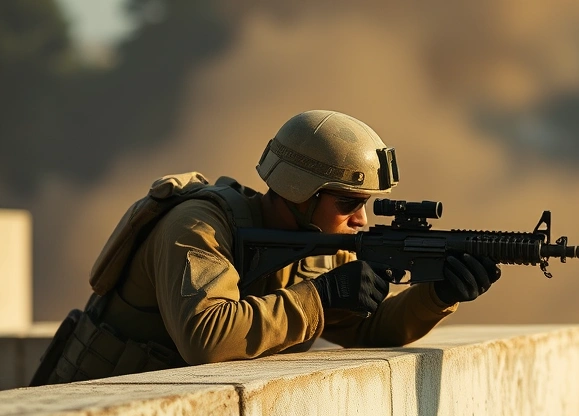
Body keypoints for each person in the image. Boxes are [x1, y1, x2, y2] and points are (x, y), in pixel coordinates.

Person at [33, 110, 500, 384]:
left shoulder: (314, 240)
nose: (360, 220)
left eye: (366, 205)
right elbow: (209, 339)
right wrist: (322, 296)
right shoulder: (198, 226)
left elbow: (369, 329)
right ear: (301, 192)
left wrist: (438, 295)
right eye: (347, 203)